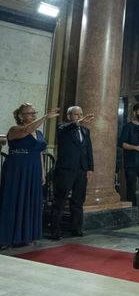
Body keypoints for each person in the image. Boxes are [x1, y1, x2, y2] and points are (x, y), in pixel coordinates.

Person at [0, 103, 59, 247]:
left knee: (30, 201)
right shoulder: (15, 130)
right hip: (17, 169)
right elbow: (26, 130)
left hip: (33, 169)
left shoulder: (39, 133)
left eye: (35, 112)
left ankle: (26, 236)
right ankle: (7, 237)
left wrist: (42, 172)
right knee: (13, 200)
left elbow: (39, 152)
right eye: (30, 113)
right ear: (21, 117)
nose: (33, 115)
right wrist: (45, 117)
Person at [50, 106, 95, 239]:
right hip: (65, 170)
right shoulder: (62, 128)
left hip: (81, 170)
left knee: (78, 201)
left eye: (81, 114)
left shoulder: (86, 131)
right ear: (69, 116)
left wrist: (89, 168)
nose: (80, 116)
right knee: (60, 200)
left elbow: (88, 150)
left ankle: (76, 228)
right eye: (77, 114)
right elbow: (67, 128)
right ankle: (55, 231)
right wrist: (79, 122)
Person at [119, 103, 139, 216]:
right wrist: (135, 147)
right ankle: (133, 212)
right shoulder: (128, 127)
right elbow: (122, 143)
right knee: (131, 187)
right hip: (131, 161)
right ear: (135, 112)